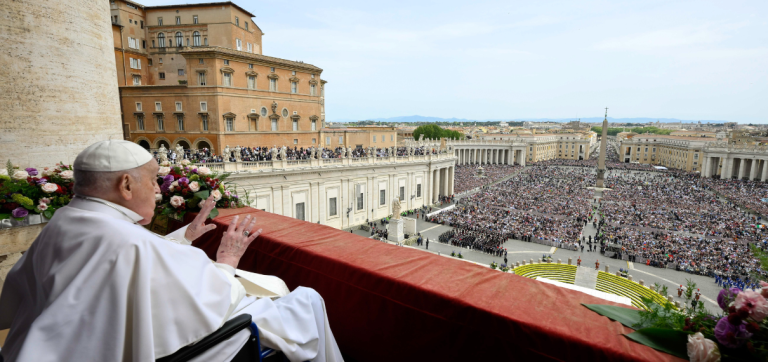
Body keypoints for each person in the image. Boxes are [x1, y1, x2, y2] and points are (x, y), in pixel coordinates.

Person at [0, 140, 343, 362]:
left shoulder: (69, 218)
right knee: (307, 299)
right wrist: (227, 260)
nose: (157, 191)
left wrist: (186, 236)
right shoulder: (128, 239)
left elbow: (128, 266)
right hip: (182, 351)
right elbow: (212, 299)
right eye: (152, 181)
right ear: (126, 184)